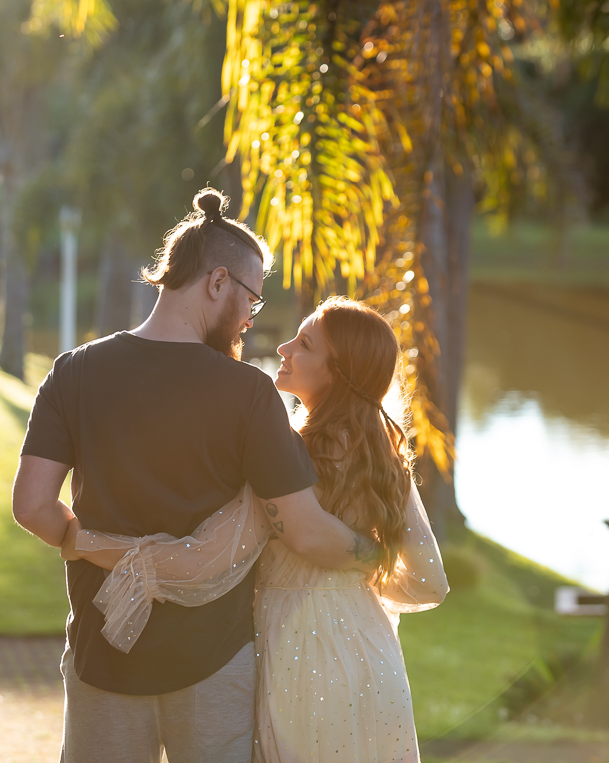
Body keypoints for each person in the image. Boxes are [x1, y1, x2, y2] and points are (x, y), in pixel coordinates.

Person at [10, 188, 380, 763]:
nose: (250, 318)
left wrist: (86, 542)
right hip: (213, 663)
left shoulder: (73, 371)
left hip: (101, 652)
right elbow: (305, 530)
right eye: (251, 299)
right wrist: (376, 555)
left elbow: (32, 506)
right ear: (218, 282)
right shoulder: (249, 393)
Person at [63, 296, 451, 763]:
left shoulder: (283, 456)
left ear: (338, 372)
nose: (284, 348)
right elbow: (429, 583)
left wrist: (85, 542)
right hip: (372, 659)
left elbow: (204, 559)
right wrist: (362, 572)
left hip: (299, 659)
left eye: (304, 344)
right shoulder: (387, 459)